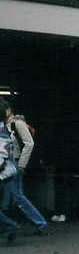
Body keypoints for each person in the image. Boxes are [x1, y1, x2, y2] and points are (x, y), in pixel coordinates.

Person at [0, 99, 49, 235]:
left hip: (13, 163)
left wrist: (22, 164)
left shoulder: (17, 124)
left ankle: (38, 222)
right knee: (14, 195)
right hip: (7, 162)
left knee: (17, 195)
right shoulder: (5, 124)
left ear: (8, 110)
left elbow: (29, 143)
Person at [0, 128, 20, 243]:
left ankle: (10, 225)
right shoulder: (3, 131)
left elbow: (2, 154)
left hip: (2, 173)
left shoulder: (1, 133)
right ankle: (8, 226)